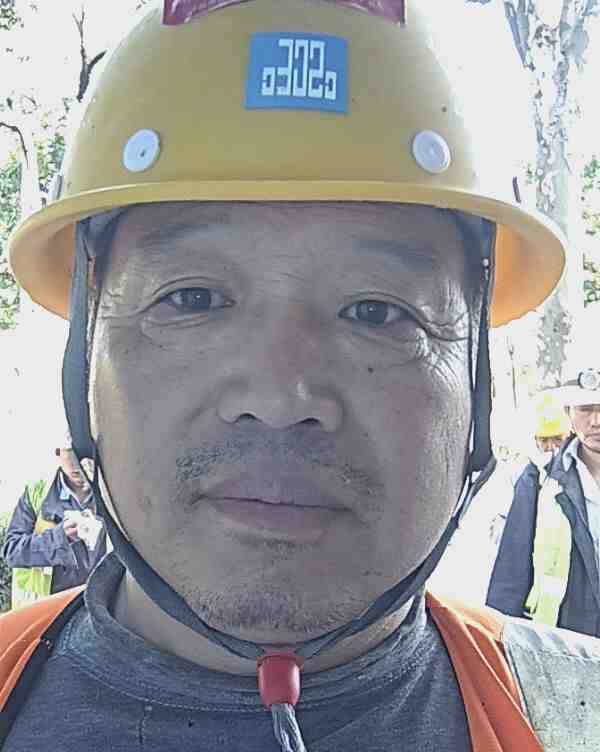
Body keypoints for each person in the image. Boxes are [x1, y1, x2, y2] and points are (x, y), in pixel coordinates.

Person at [2, 2, 598, 750]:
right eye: (191, 299)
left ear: (476, 387)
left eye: (376, 312)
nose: (281, 398)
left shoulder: (577, 714)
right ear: (85, 359)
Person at [487, 369, 600, 637]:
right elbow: (511, 573)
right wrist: (497, 640)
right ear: (569, 413)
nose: (595, 421)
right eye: (585, 409)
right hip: (566, 640)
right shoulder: (539, 480)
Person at [2, 446, 106, 609]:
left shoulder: (110, 495)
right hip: (44, 611)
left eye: (83, 450)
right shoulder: (38, 491)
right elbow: (12, 552)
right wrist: (59, 538)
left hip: (93, 607)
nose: (78, 462)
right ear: (58, 452)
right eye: (70, 451)